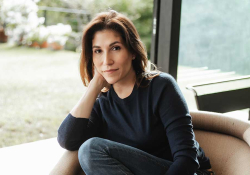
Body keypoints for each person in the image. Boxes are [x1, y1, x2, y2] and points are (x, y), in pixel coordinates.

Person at [57, 10, 214, 175]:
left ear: (132, 51)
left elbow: (187, 160)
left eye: (115, 48)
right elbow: (68, 140)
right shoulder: (103, 102)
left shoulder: (161, 87)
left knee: (91, 150)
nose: (106, 61)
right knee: (87, 151)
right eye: (98, 51)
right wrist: (94, 85)